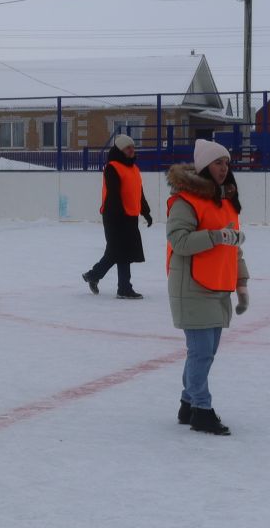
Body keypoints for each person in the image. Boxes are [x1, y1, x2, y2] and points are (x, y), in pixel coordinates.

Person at [166, 138, 250, 436]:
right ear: (204, 166)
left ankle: (188, 403)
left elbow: (234, 248)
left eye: (227, 163)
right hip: (192, 286)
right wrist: (216, 237)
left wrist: (241, 284)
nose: (224, 168)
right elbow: (179, 242)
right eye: (218, 162)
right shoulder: (185, 201)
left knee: (205, 352)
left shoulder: (225, 201)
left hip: (218, 286)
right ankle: (202, 409)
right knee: (201, 352)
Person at [82, 133, 152, 299]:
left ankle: (95, 276)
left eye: (133, 147)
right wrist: (119, 215)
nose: (132, 150)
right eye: (128, 148)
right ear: (120, 149)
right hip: (115, 216)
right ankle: (123, 288)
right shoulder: (112, 167)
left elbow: (138, 193)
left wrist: (145, 212)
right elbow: (113, 193)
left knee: (119, 252)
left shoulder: (134, 169)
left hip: (130, 216)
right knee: (118, 251)